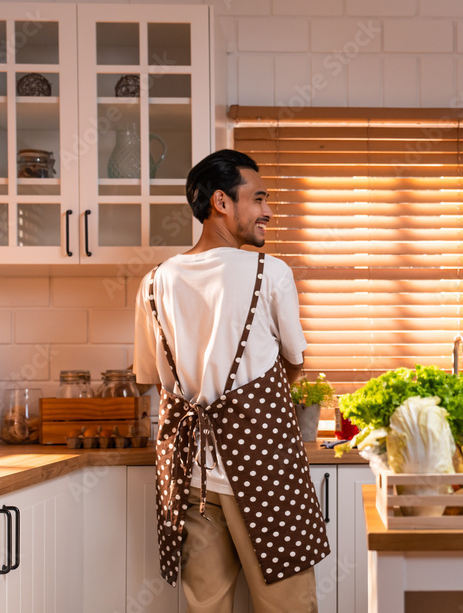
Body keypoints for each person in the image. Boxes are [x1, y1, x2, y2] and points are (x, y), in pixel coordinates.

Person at [134, 149, 327, 613]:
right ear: (221, 201)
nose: (268, 210)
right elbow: (295, 362)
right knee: (288, 607)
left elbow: (152, 380)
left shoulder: (155, 282)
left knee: (207, 607)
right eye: (258, 198)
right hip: (264, 465)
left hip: (189, 474)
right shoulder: (270, 272)